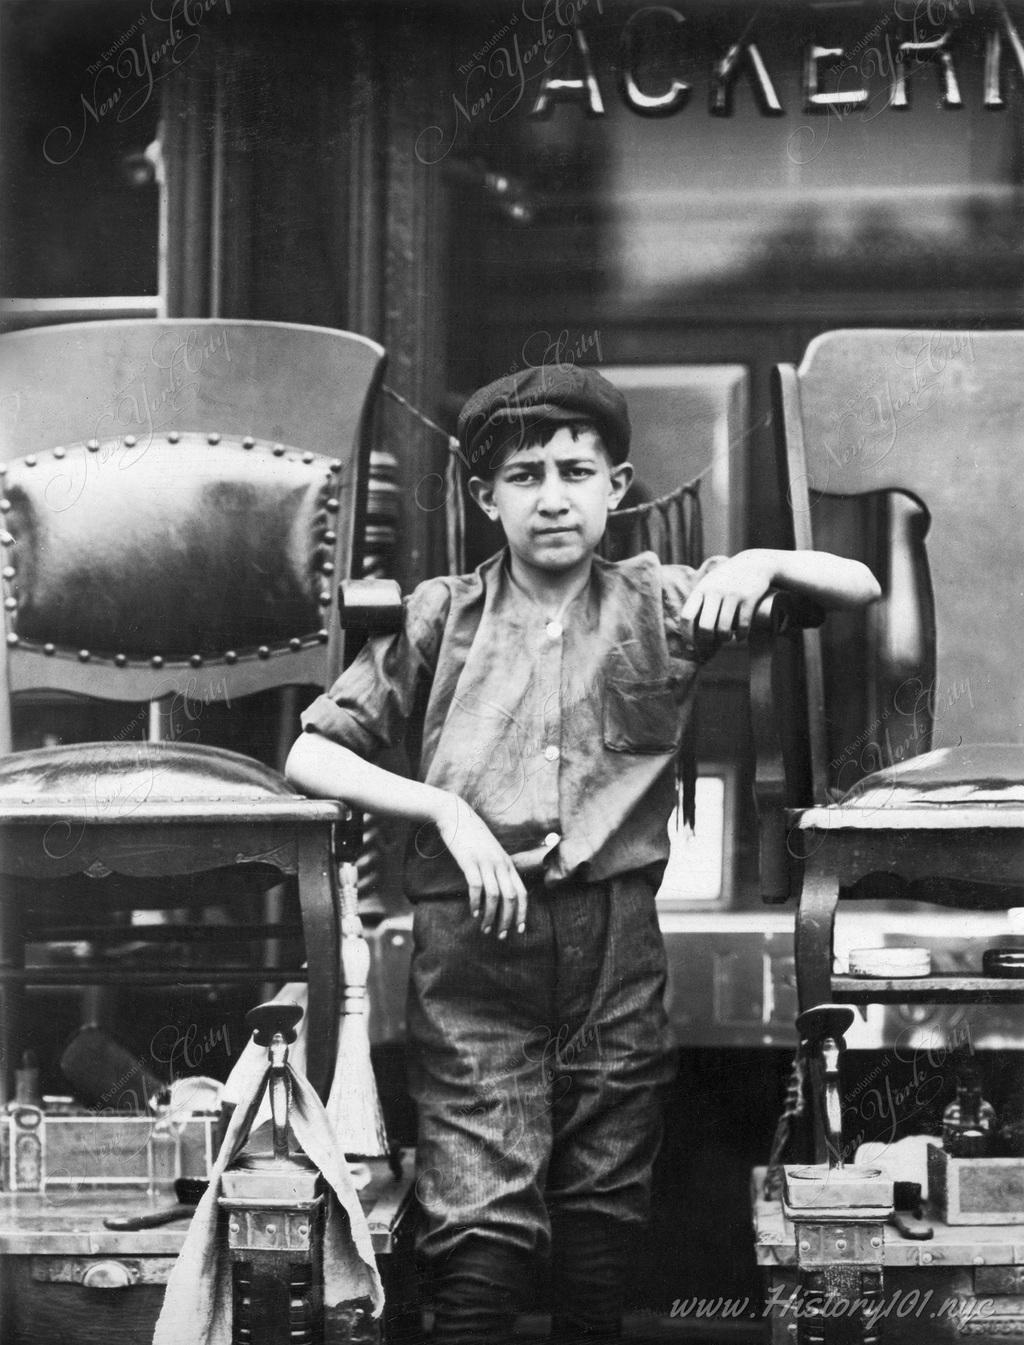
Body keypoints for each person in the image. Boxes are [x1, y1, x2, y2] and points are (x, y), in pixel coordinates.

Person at [286, 365, 880, 1345]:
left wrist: (759, 562)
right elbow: (311, 749)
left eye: (575, 470)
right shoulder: (441, 614)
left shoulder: (663, 602)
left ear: (617, 486)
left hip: (615, 941)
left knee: (605, 1197)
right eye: (523, 476)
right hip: (472, 943)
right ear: (486, 498)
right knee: (479, 1209)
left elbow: (855, 586)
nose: (552, 495)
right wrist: (442, 808)